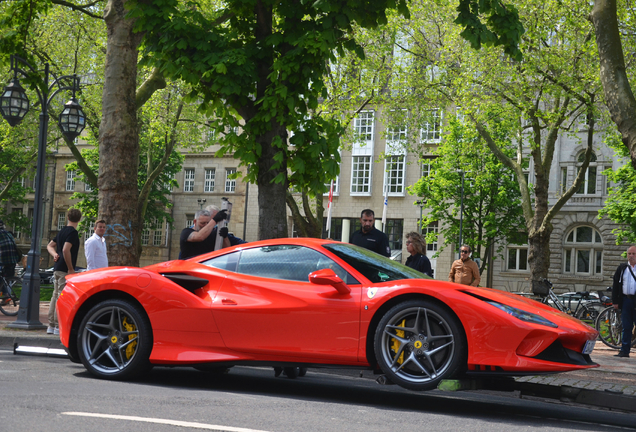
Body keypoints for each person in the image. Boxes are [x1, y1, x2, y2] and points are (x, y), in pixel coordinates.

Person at [46, 208, 82, 335]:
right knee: (61, 296)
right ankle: (57, 325)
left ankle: (50, 325)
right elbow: (67, 250)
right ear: (79, 219)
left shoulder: (62, 231)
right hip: (64, 268)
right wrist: (71, 269)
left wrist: (55, 254)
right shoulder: (72, 233)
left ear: (67, 217)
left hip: (57, 267)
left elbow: (49, 246)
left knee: (55, 295)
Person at [612, 245, 636, 358]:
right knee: (626, 326)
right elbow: (616, 285)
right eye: (629, 254)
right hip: (626, 300)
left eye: (634, 254)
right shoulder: (622, 268)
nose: (631, 256)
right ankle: (624, 351)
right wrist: (615, 301)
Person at [0, 221, 21, 304]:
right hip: (13, 259)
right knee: (7, 279)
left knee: (2, 278)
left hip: (3, 259)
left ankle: (6, 295)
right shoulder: (8, 234)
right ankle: (6, 297)